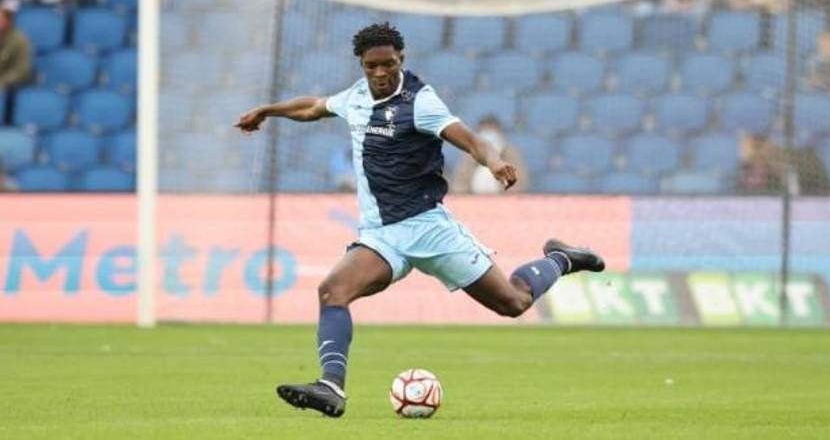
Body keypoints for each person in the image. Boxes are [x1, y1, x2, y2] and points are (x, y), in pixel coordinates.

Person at [235, 23, 605, 418]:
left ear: (402, 59)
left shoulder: (420, 102)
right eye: (371, 66)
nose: (380, 73)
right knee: (332, 291)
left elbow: (471, 140)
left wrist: (494, 161)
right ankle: (331, 387)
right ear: (362, 65)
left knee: (513, 303)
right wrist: (268, 111)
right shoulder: (357, 96)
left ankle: (561, 258)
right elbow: (313, 107)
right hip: (381, 236)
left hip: (429, 229)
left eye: (388, 64)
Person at [451, 114, 530, 194]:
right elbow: (458, 186)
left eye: (492, 131)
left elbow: (520, 186)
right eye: (485, 131)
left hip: (502, 199)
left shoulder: (511, 154)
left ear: (499, 133)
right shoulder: (470, 155)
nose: (488, 137)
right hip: (473, 199)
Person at [0, 7, 31, 88]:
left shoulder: (19, 40)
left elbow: (21, 71)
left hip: (6, 86)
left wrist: (2, 80)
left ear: (7, 21)